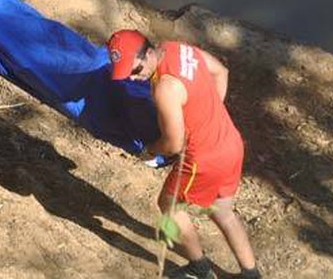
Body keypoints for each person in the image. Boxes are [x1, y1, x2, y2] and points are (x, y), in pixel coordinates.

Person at [107, 30, 261, 279]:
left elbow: (173, 144)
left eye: (135, 70)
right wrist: (209, 113)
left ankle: (200, 269)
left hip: (203, 159)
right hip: (230, 143)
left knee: (169, 207)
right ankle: (251, 274)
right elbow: (221, 71)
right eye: (127, 74)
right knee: (222, 211)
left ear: (147, 53)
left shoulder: (165, 88)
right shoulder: (178, 48)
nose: (134, 79)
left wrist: (148, 151)